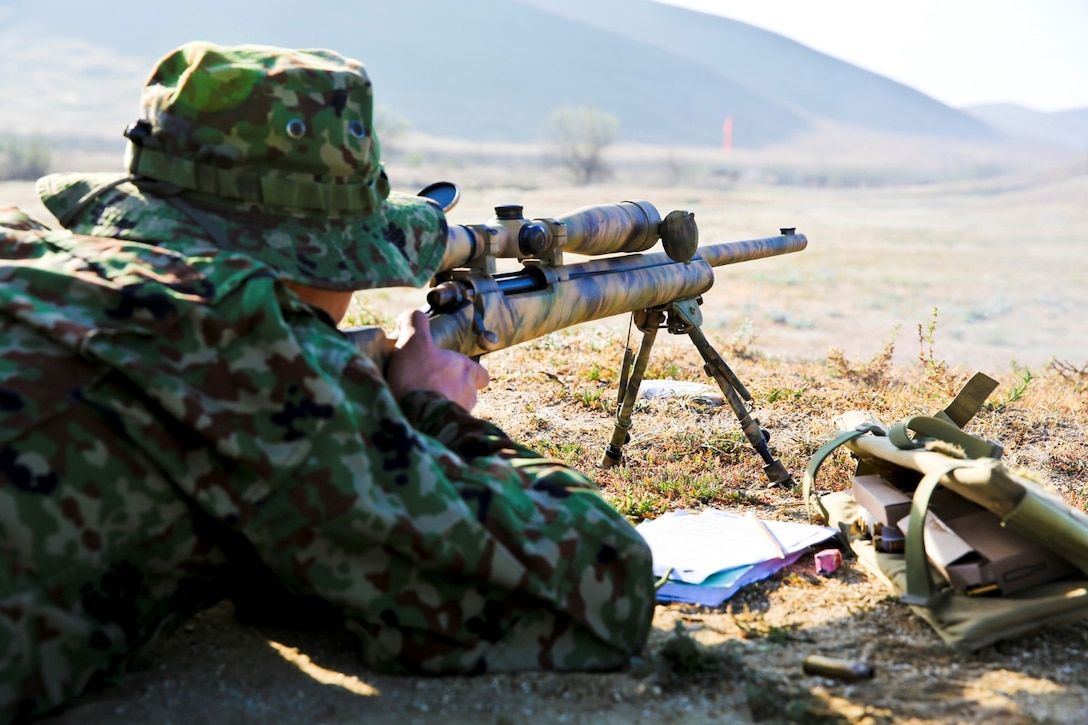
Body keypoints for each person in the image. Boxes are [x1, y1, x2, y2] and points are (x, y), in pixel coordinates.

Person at [0, 41, 655, 720]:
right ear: (321, 252)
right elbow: (605, 580)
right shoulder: (242, 341)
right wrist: (431, 408)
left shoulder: (19, 250)